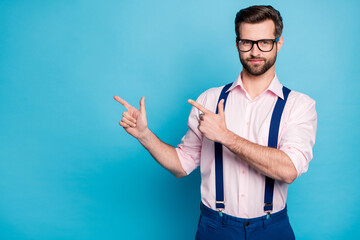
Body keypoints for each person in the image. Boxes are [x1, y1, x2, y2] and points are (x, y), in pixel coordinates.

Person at [114, 5, 317, 240]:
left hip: (271, 228)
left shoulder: (299, 105)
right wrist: (144, 135)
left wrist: (226, 136)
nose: (255, 51)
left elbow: (289, 170)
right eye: (247, 42)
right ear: (237, 43)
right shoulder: (209, 100)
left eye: (264, 42)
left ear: (278, 43)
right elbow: (181, 165)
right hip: (215, 228)